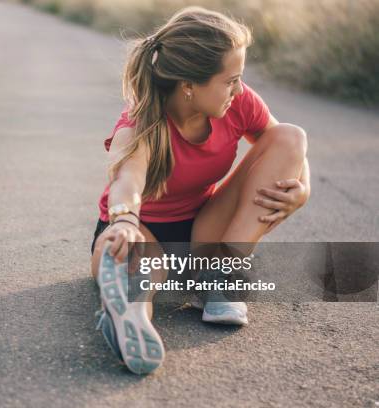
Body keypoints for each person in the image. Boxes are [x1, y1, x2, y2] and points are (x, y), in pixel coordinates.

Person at [89, 6, 310, 375]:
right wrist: (124, 218)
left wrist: (302, 188)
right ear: (189, 85)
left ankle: (219, 275)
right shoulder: (141, 122)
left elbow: (286, 149)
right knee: (140, 273)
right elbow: (128, 181)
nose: (238, 89)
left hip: (204, 227)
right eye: (230, 80)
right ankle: (130, 320)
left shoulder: (239, 102)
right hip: (140, 228)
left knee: (290, 134)